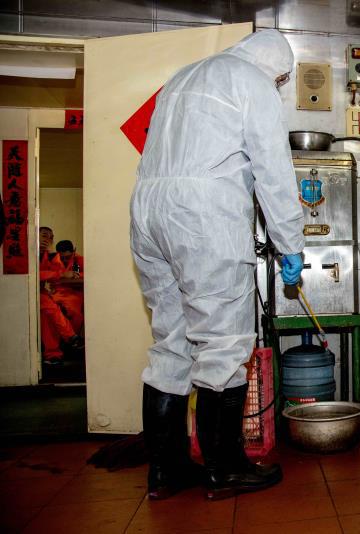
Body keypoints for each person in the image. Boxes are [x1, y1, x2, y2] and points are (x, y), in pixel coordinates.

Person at [130, 30, 305, 501]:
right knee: (224, 343)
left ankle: (166, 470)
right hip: (203, 217)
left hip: (149, 211)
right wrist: (290, 243)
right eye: (282, 79)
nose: (280, 85)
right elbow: (273, 170)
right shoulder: (252, 81)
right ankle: (224, 468)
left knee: (171, 342)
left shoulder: (181, 78)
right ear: (274, 66)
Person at [38, 227, 82, 364]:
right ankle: (59, 349)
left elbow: (75, 275)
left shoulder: (76, 260)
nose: (64, 259)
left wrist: (65, 275)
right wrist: (59, 274)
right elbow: (43, 275)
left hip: (72, 293)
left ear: (73, 252)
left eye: (50, 237)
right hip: (53, 293)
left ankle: (67, 344)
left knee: (71, 311)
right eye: (44, 236)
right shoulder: (44, 255)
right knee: (49, 312)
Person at [52, 240, 84, 334]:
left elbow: (88, 274)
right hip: (58, 292)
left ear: (73, 251)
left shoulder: (78, 260)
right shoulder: (54, 260)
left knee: (73, 310)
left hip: (75, 293)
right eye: (62, 258)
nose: (65, 260)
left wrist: (76, 274)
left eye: (68, 257)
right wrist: (62, 275)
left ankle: (73, 336)